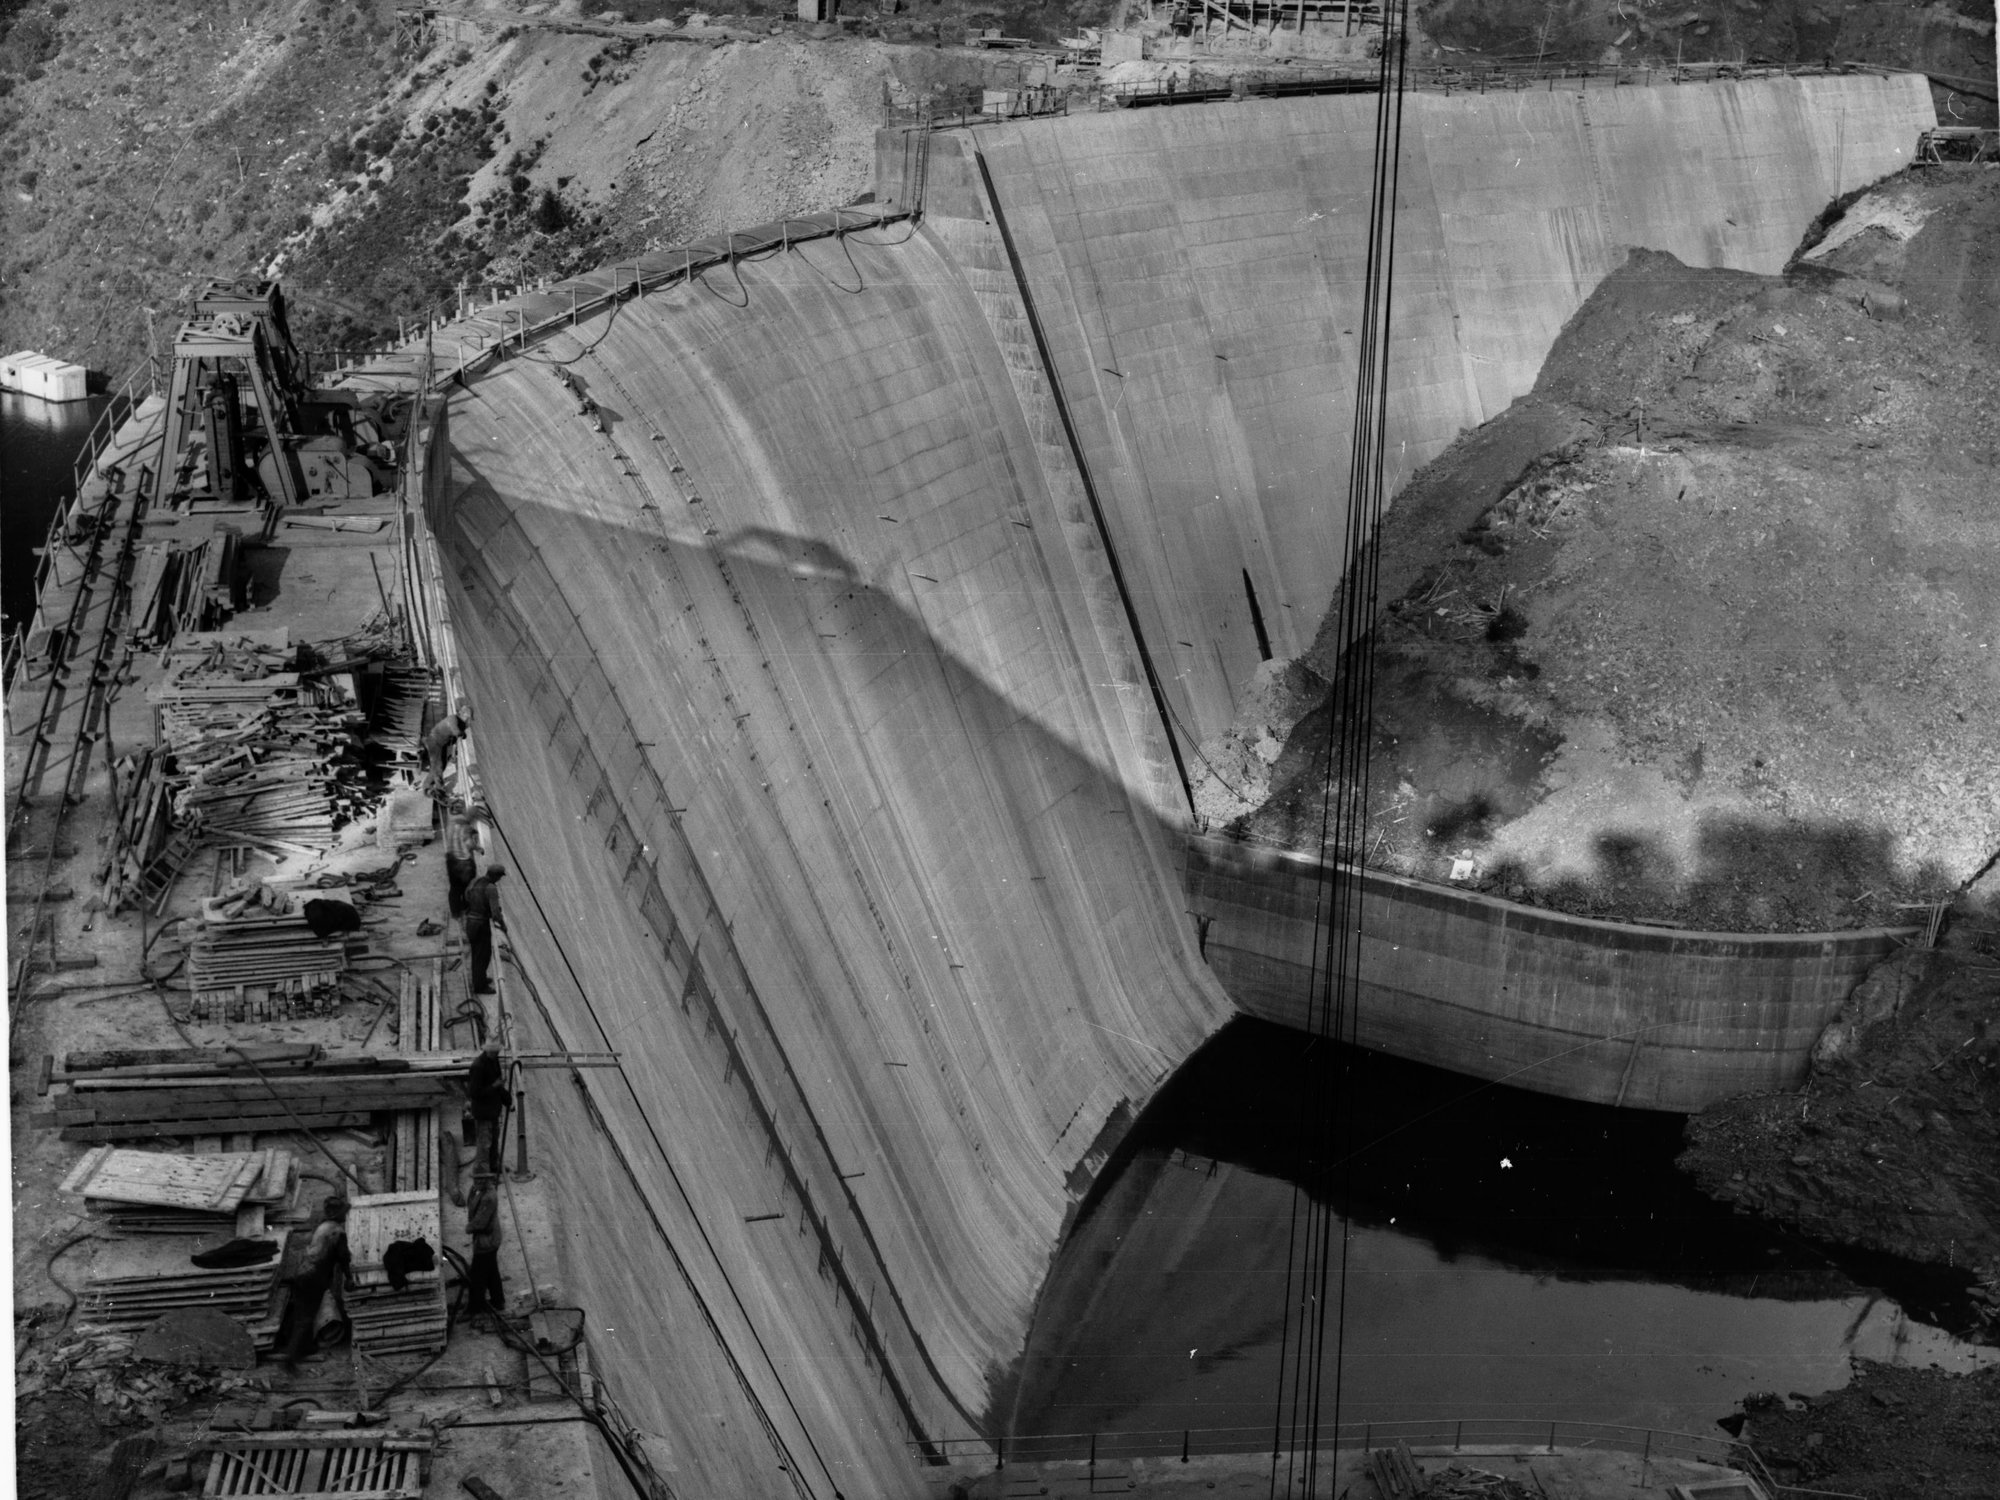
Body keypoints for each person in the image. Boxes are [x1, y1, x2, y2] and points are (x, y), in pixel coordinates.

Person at [280, 1195, 351, 1371]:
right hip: (314, 1278)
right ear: (338, 1215)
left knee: (303, 1312)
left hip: (303, 1272)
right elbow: (344, 1258)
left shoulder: (322, 1226)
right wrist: (349, 1278)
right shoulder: (337, 1232)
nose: (345, 1216)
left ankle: (305, 1347)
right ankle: (291, 1358)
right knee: (306, 1317)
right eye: (343, 1213)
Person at [463, 1170, 506, 1328]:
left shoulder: (489, 1197)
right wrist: (473, 1191)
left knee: (477, 1275)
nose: (477, 1182)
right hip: (486, 1239)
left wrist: (469, 1227)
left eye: (480, 1179)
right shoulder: (478, 1190)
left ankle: (475, 1308)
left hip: (487, 1240)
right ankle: (498, 1300)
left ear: (488, 1180)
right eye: (475, 1179)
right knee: (491, 1270)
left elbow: (480, 1222)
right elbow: (471, 1205)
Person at [465, 1040, 510, 1175]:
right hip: (483, 1112)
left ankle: (494, 1167)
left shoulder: (493, 1061)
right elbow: (474, 1093)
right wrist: (494, 1087)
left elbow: (498, 1083)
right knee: (484, 1144)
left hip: (493, 1110)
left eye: (497, 1051)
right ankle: (482, 1174)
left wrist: (506, 1099)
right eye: (494, 1051)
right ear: (487, 1050)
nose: (496, 1053)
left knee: (494, 1141)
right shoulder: (478, 1066)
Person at [463, 863, 507, 995]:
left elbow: (466, 896)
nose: (500, 880)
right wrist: (502, 925)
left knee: (478, 954)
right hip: (481, 925)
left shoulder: (475, 881)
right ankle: (479, 987)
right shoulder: (491, 888)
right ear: (496, 876)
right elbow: (495, 913)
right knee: (482, 956)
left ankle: (480, 979)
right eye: (500, 877)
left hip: (470, 922)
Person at [444, 809, 482, 920]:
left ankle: (455, 912)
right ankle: (465, 906)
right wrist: (479, 848)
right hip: (463, 863)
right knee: (466, 886)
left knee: (454, 888)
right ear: (471, 818)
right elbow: (469, 843)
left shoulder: (454, 823)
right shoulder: (467, 828)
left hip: (451, 859)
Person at [423, 709, 470, 780]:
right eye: (467, 718)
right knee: (438, 767)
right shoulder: (453, 719)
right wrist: (462, 734)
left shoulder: (457, 721)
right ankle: (434, 787)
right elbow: (457, 732)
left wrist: (463, 732)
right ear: (462, 715)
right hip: (435, 743)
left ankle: (432, 784)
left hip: (441, 743)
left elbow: (458, 734)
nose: (467, 720)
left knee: (443, 765)